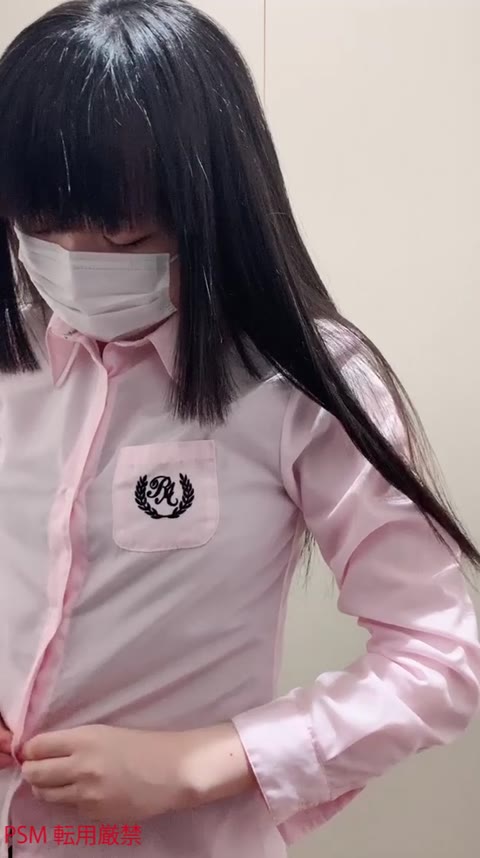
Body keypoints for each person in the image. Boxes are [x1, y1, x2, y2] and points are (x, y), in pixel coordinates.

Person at [0, 0, 478, 855]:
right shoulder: (14, 360)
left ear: (212, 205)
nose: (74, 261)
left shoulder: (302, 385)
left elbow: (437, 658)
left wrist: (206, 762)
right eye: (39, 228)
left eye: (124, 233)